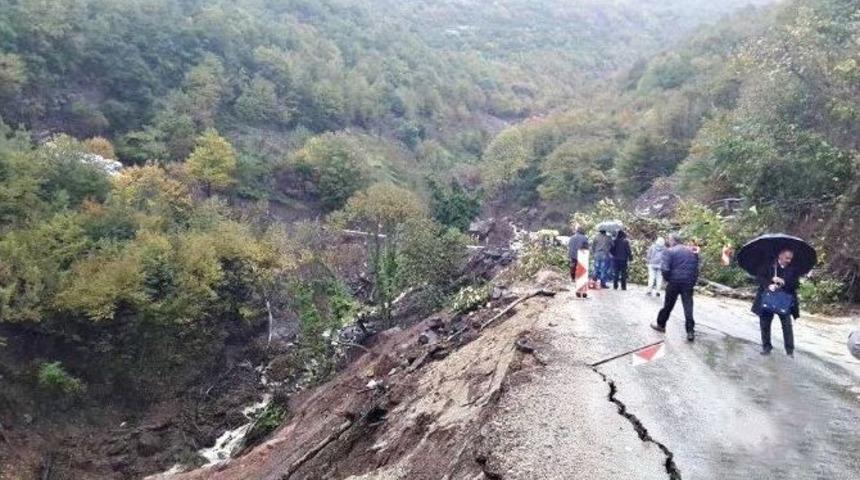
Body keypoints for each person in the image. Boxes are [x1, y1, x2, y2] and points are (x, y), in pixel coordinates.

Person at [651, 233, 700, 342]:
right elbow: (696, 268)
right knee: (688, 306)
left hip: (674, 281)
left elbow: (665, 269)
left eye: (669, 240)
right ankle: (690, 331)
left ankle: (661, 325)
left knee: (668, 305)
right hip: (688, 282)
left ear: (673, 241)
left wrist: (669, 279)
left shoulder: (669, 251)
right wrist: (692, 281)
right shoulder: (691, 251)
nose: (668, 241)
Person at [752, 249, 800, 357]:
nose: (789, 260)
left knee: (787, 325)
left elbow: (796, 285)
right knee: (765, 324)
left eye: (790, 258)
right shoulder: (768, 265)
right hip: (767, 299)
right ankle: (766, 348)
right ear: (780, 256)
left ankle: (789, 351)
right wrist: (769, 284)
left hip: (784, 301)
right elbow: (759, 277)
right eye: (787, 258)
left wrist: (783, 282)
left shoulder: (793, 269)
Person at [568, 224, 590, 298]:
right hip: (581, 255)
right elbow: (586, 247)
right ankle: (582, 289)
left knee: (573, 265)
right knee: (581, 272)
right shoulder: (584, 238)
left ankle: (572, 277)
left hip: (572, 254)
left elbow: (569, 246)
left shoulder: (572, 237)